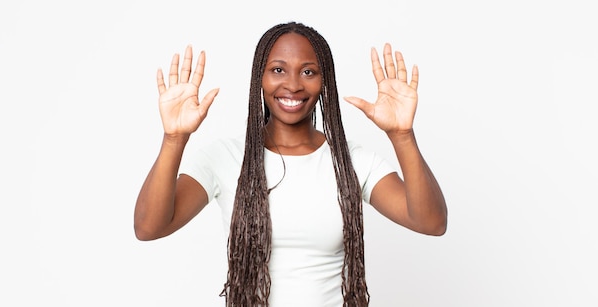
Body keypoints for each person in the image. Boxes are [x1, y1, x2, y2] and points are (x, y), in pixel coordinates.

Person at [134, 21, 447, 307]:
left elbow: (431, 223)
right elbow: (149, 227)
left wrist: (402, 135)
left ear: (325, 81)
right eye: (278, 70)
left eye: (308, 71)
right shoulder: (225, 158)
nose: (294, 84)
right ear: (260, 77)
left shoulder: (350, 162)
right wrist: (174, 139)